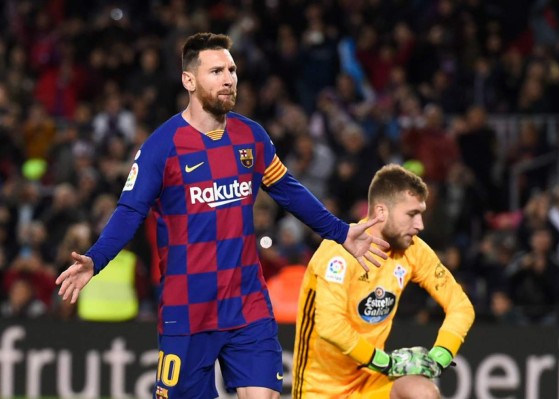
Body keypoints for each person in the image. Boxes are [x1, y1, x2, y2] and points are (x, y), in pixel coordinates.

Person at [55, 32, 388, 399]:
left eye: (231, 69)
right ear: (189, 80)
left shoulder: (251, 137)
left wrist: (341, 232)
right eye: (216, 71)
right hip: (189, 307)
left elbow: (289, 191)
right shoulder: (162, 147)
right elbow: (131, 210)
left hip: (247, 301)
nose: (229, 78)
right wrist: (96, 259)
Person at [292, 164, 475, 399]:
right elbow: (330, 326)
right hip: (320, 390)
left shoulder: (413, 249)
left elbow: (460, 306)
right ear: (381, 212)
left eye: (421, 214)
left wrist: (440, 356)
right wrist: (385, 362)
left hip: (370, 381)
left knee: (422, 392)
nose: (420, 225)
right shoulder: (339, 251)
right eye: (411, 215)